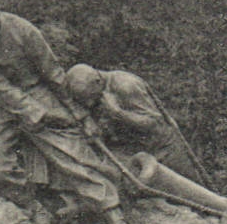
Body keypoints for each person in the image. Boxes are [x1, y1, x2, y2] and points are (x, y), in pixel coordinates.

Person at [0, 0, 133, 224]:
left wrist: (78, 114)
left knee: (74, 155)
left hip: (36, 89)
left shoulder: (22, 30)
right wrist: (35, 113)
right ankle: (37, 208)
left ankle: (115, 217)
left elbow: (53, 73)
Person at [62, 64, 204, 181]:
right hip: (136, 151)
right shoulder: (93, 89)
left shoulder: (125, 86)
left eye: (91, 97)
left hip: (164, 148)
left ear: (97, 81)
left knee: (195, 192)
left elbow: (154, 122)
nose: (89, 103)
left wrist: (118, 113)